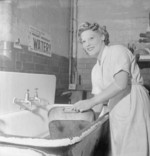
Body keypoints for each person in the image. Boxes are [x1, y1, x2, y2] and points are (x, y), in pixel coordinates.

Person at [72, 22, 150, 156]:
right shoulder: (95, 70)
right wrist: (88, 126)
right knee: (119, 149)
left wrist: (90, 102)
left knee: (135, 147)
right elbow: (98, 103)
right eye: (83, 41)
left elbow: (121, 83)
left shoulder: (117, 50)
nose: (87, 44)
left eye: (91, 38)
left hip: (133, 100)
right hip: (115, 107)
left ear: (102, 36)